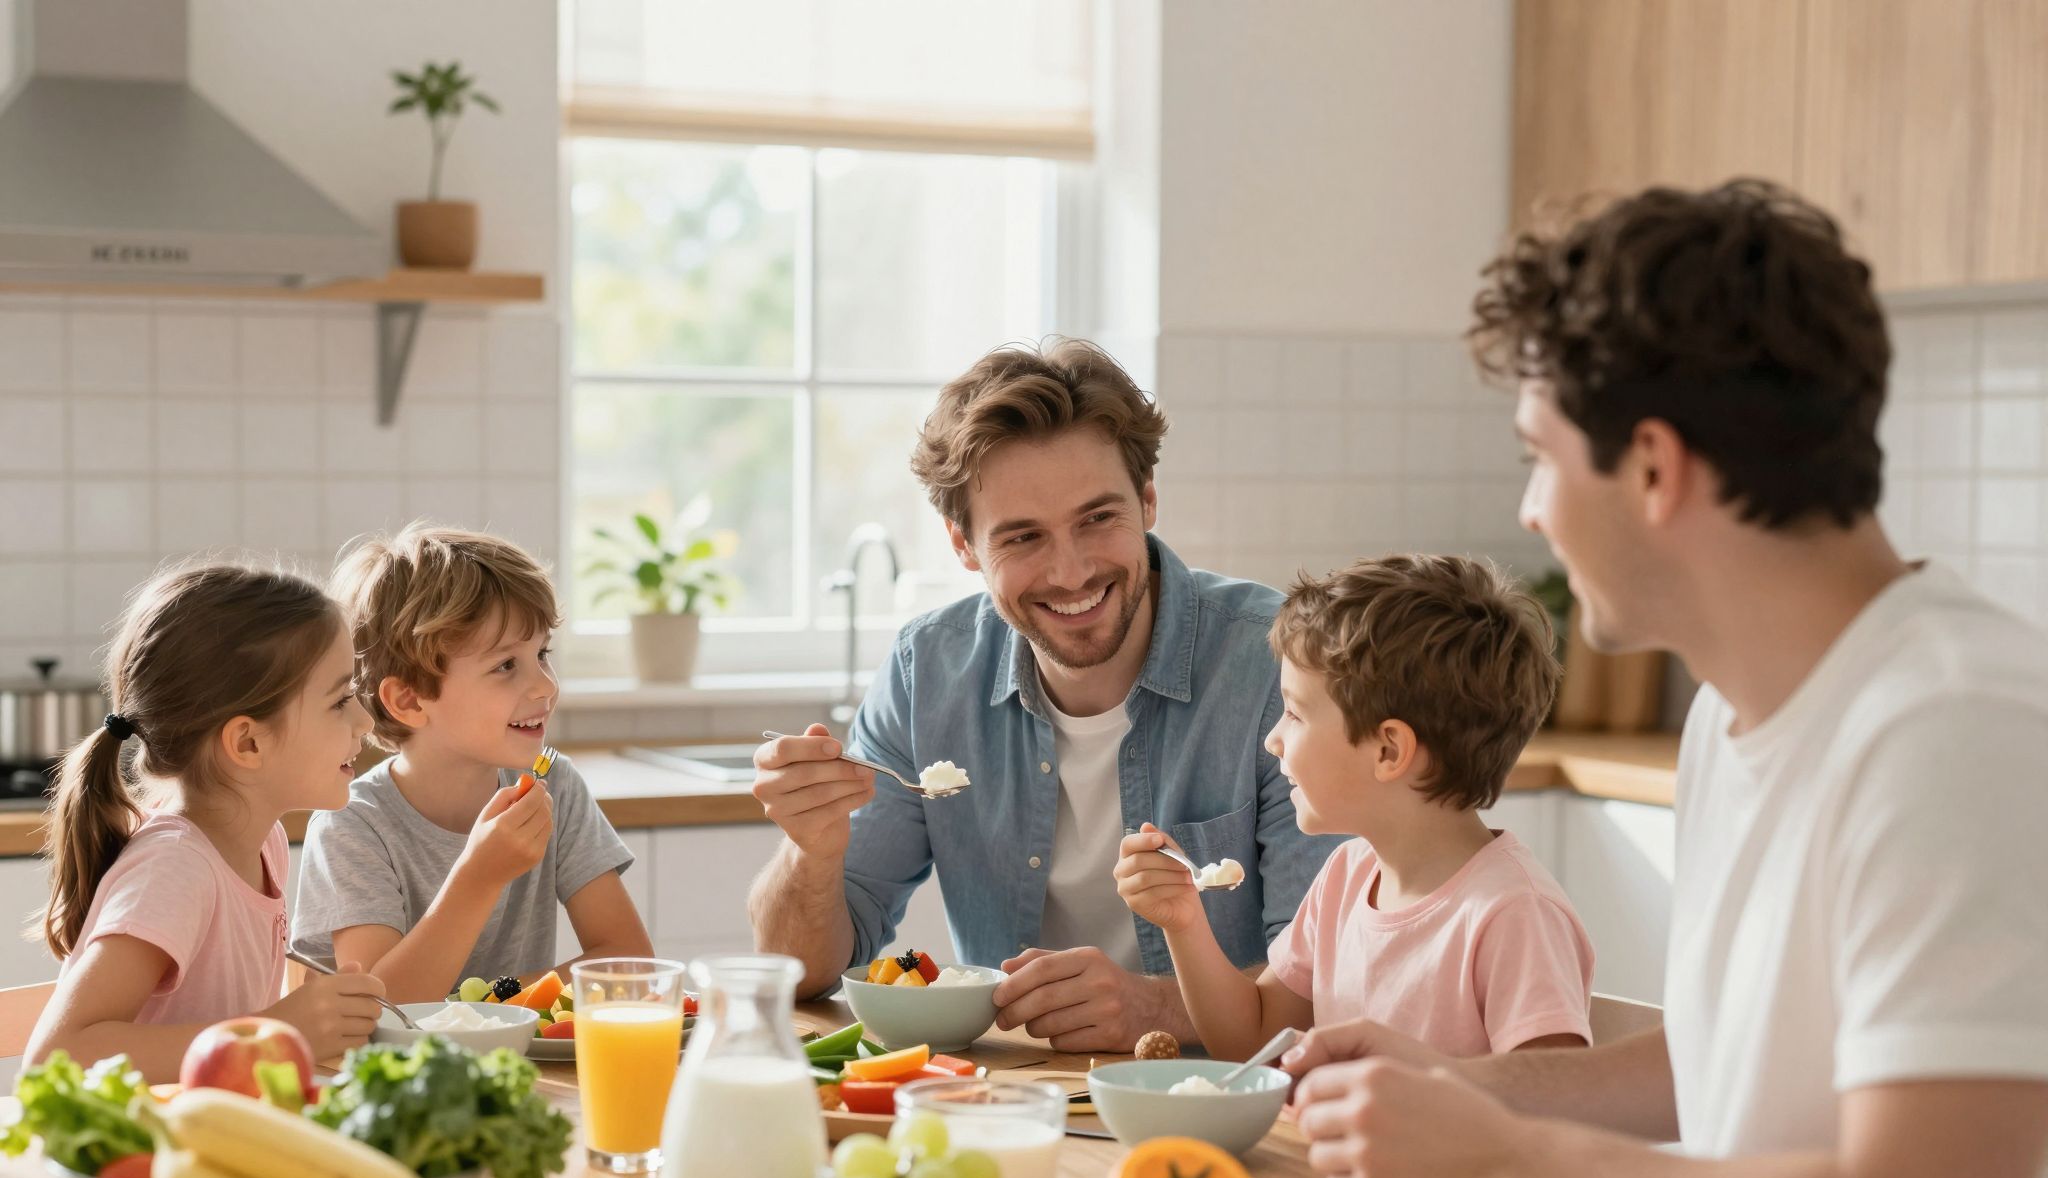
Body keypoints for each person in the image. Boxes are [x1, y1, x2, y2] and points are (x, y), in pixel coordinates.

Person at [1284, 179, 2048, 1178]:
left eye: (1538, 458)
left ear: (1650, 467)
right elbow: (1716, 1064)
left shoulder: (1949, 726)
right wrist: (1453, 1089)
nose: (1530, 510)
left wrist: (1505, 1157)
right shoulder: (1734, 720)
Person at [748, 339, 1344, 1051]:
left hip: (1232, 1103)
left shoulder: (1276, 666)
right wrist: (809, 854)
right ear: (964, 547)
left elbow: (1338, 981)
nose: (1071, 572)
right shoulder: (927, 673)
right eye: (1023, 537)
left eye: (1098, 518)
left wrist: (1156, 1008)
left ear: (1148, 499)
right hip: (1013, 1099)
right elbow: (798, 973)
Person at [1116, 553, 1591, 1062]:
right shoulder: (1346, 877)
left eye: (1294, 714)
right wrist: (1185, 923)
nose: (1273, 741)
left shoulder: (1515, 914)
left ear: (1388, 750)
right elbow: (1252, 1040)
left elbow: (1552, 1096)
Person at [27, 563, 385, 1079]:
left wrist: (305, 1021)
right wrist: (275, 1031)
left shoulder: (265, 842)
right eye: (340, 701)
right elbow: (58, 1057)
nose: (364, 721)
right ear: (247, 742)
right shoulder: (175, 869)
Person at [292, 525, 649, 1002]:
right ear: (409, 700)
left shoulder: (553, 784)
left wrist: (491, 1002)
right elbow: (380, 1009)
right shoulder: (352, 826)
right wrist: (479, 877)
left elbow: (627, 959)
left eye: (542, 653)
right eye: (506, 665)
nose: (545, 686)